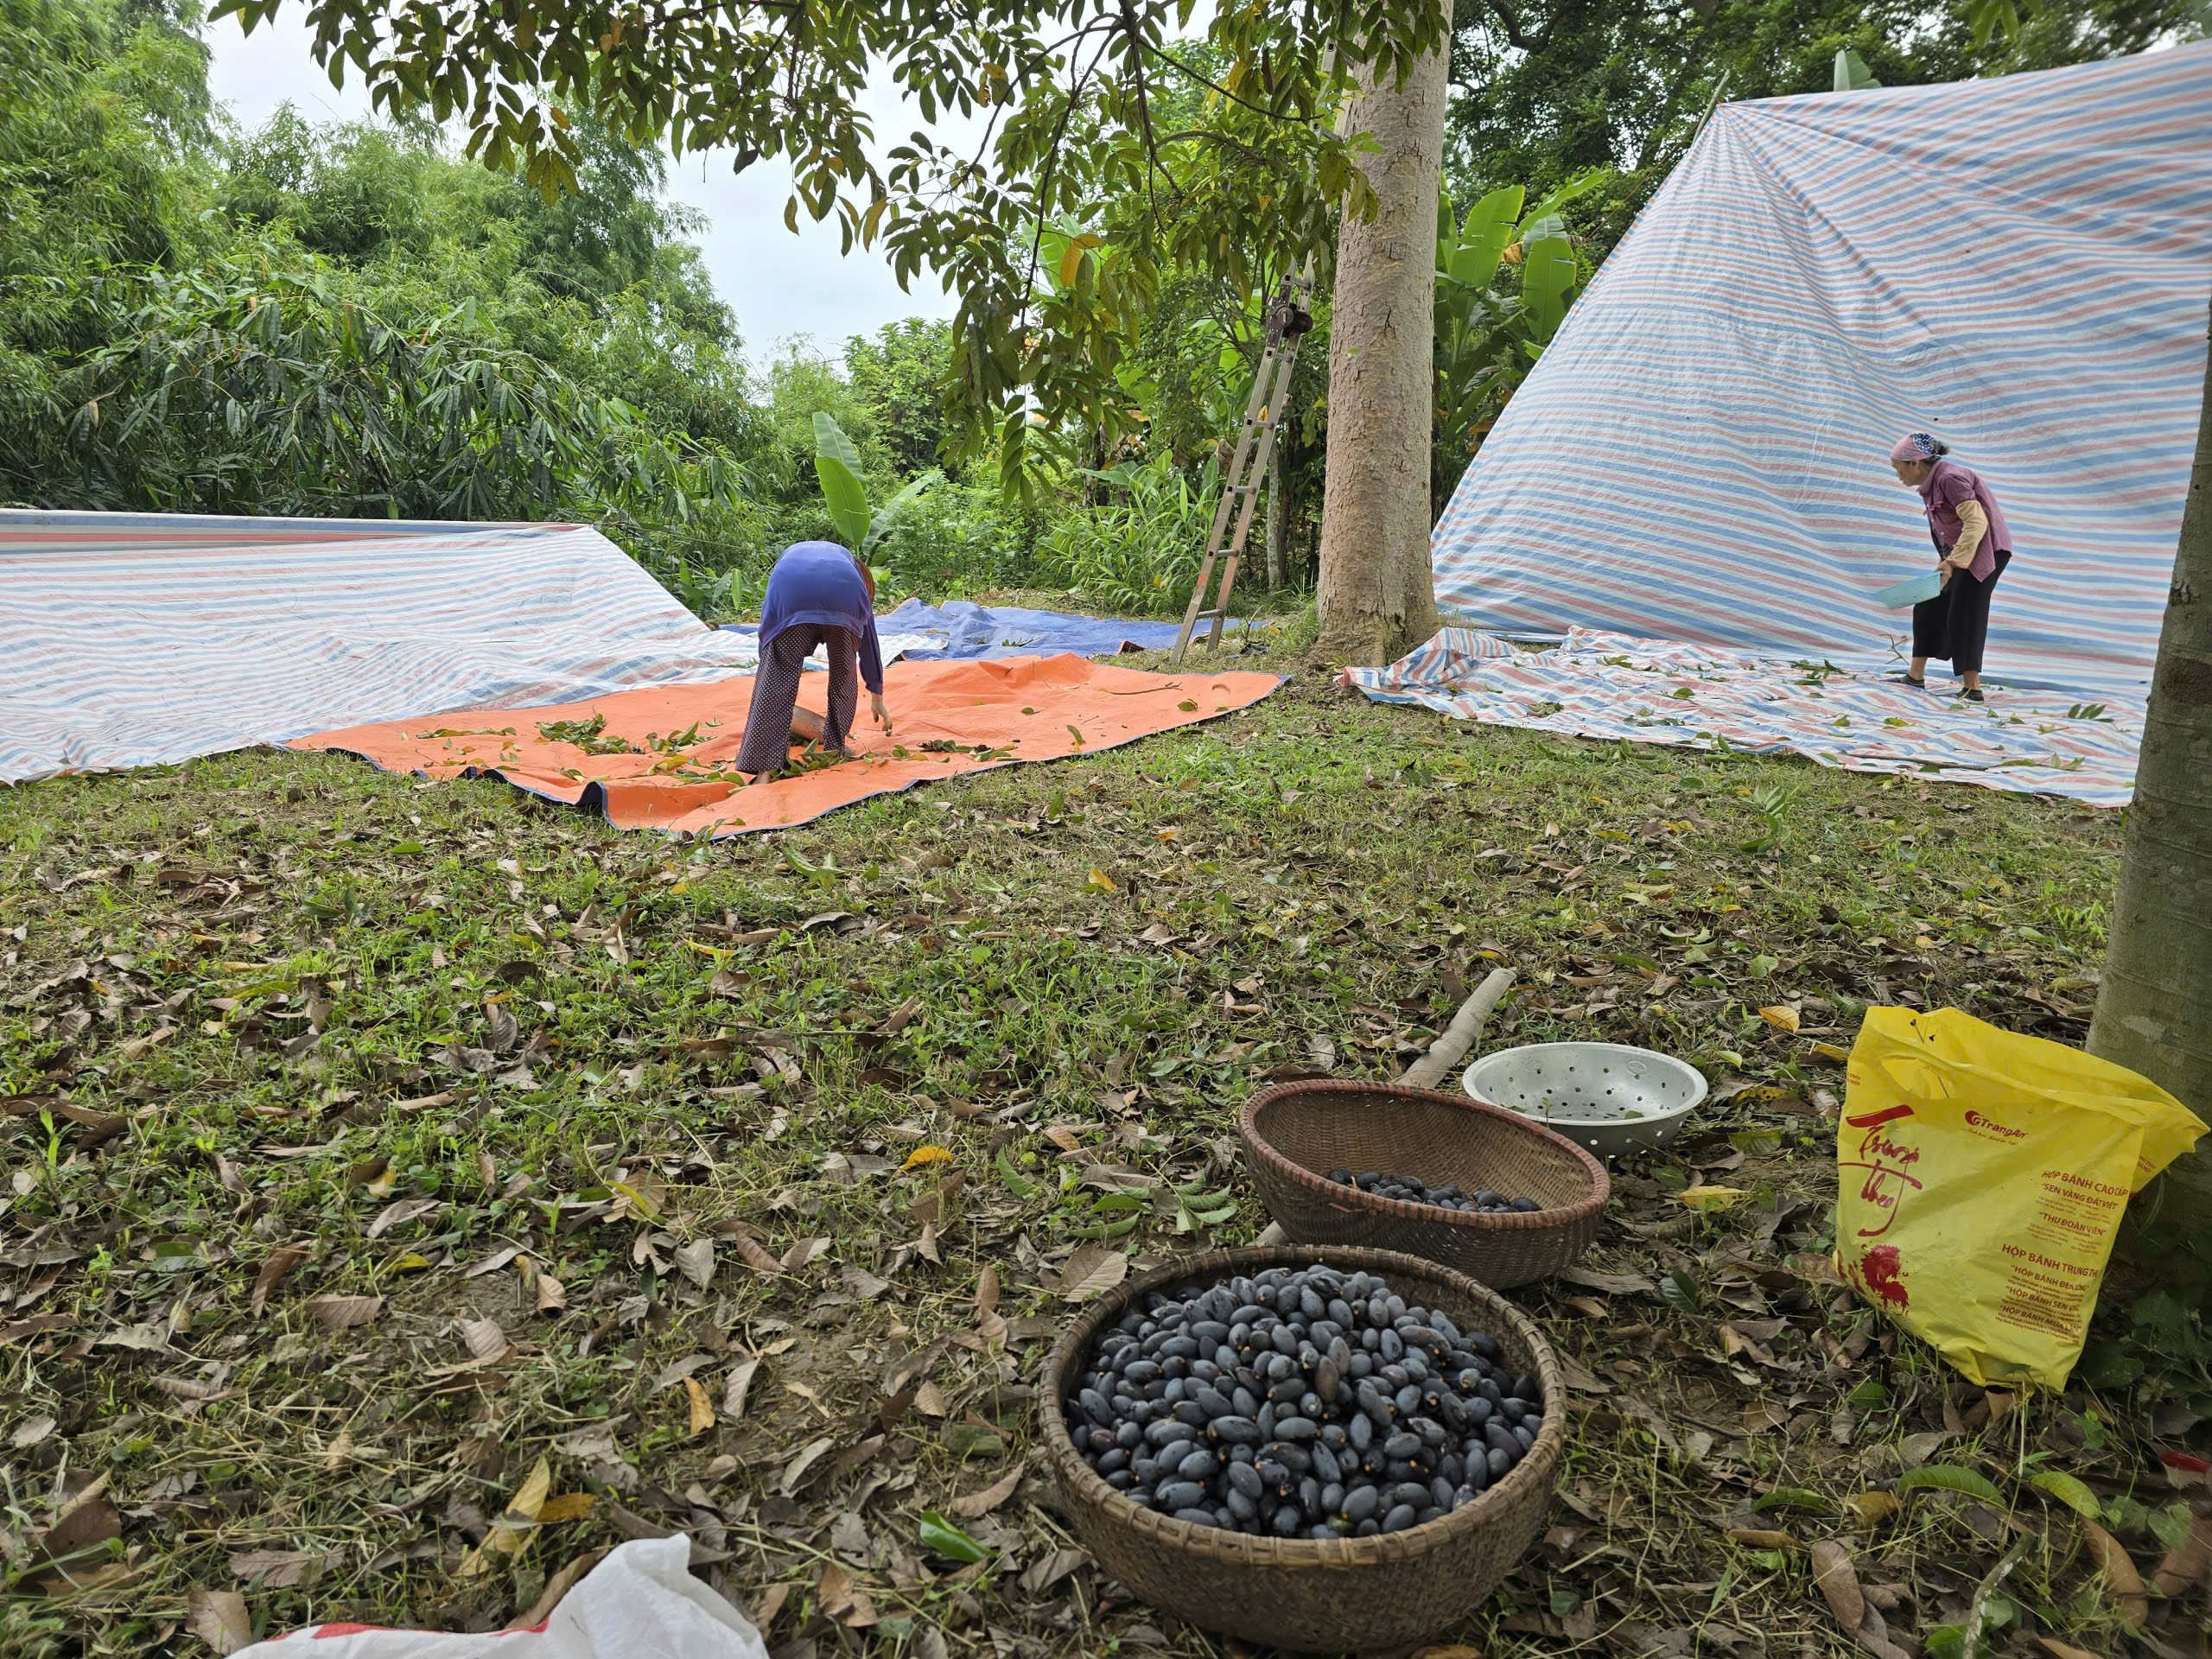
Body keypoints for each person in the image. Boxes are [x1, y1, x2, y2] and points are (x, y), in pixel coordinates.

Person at [734, 541, 893, 778]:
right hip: (844, 595)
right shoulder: (853, 577)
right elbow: (870, 645)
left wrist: (770, 664)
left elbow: (768, 624)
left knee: (777, 680)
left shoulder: (798, 556)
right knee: (843, 678)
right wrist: (877, 695)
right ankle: (834, 750)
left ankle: (764, 771)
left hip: (792, 589)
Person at [1888, 432, 2014, 702]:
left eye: (1899, 470)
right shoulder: (1930, 484)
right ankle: (1915, 677)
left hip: (1986, 550)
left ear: (1916, 464)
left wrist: (1954, 563)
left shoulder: (1950, 478)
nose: (1898, 476)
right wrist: (1946, 562)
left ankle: (1972, 689)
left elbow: (1976, 523)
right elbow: (1948, 530)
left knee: (1965, 612)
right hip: (1960, 553)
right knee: (1928, 604)